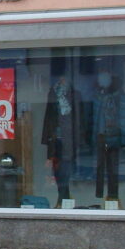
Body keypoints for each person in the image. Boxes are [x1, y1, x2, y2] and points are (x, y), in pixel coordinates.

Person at [41, 67, 80, 203]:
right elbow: (48, 117)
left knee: (66, 169)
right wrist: (46, 138)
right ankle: (62, 198)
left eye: (64, 78)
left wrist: (80, 139)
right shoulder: (53, 93)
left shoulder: (75, 95)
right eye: (60, 78)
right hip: (55, 138)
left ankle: (64, 199)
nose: (62, 80)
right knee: (57, 170)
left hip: (69, 138)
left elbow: (80, 119)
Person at [92, 71, 125, 202]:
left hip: (113, 136)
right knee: (99, 167)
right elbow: (94, 119)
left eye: (103, 79)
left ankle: (113, 196)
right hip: (100, 136)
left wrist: (123, 140)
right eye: (100, 79)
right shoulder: (98, 96)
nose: (100, 81)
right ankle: (99, 196)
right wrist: (92, 137)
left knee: (113, 168)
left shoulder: (119, 97)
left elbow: (124, 118)